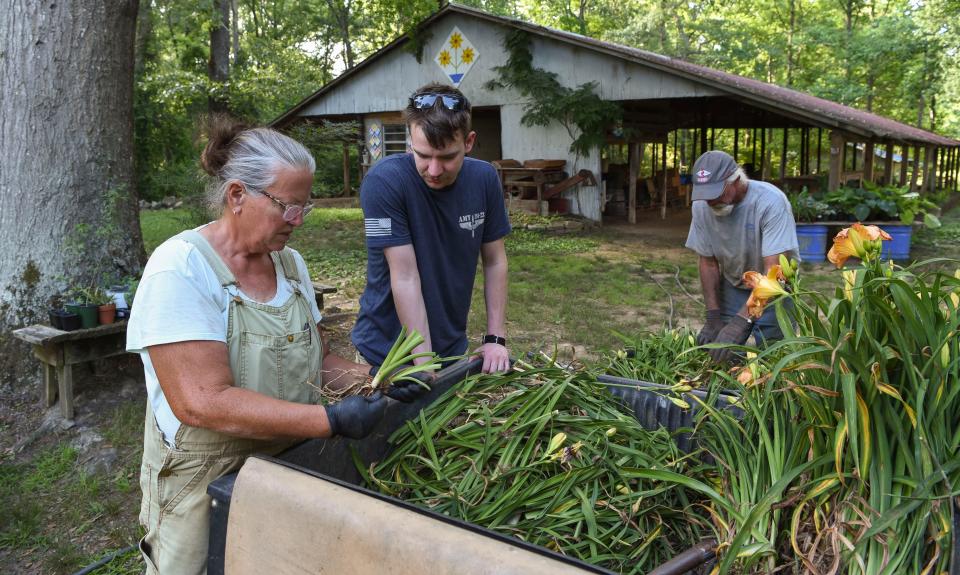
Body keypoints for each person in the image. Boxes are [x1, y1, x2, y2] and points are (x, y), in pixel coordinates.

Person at [127, 117, 408, 575]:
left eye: (305, 207)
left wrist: (382, 381)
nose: (298, 220)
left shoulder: (291, 266)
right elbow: (202, 403)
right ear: (238, 195)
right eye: (287, 206)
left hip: (288, 467)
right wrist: (330, 420)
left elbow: (318, 364)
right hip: (203, 482)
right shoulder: (180, 269)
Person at [351, 83, 511, 374]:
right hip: (387, 355)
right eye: (422, 155)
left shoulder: (485, 179)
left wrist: (495, 338)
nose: (434, 170)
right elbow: (406, 277)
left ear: (469, 141)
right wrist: (423, 367)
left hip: (451, 349)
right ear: (410, 141)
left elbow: (495, 261)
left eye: (448, 157)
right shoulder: (383, 183)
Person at [684, 150, 799, 363]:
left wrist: (741, 321)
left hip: (774, 287)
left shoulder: (770, 202)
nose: (710, 201)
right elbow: (708, 262)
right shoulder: (701, 205)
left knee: (776, 356)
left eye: (716, 192)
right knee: (725, 353)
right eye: (705, 193)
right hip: (733, 282)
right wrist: (713, 316)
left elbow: (774, 271)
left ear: (736, 180)